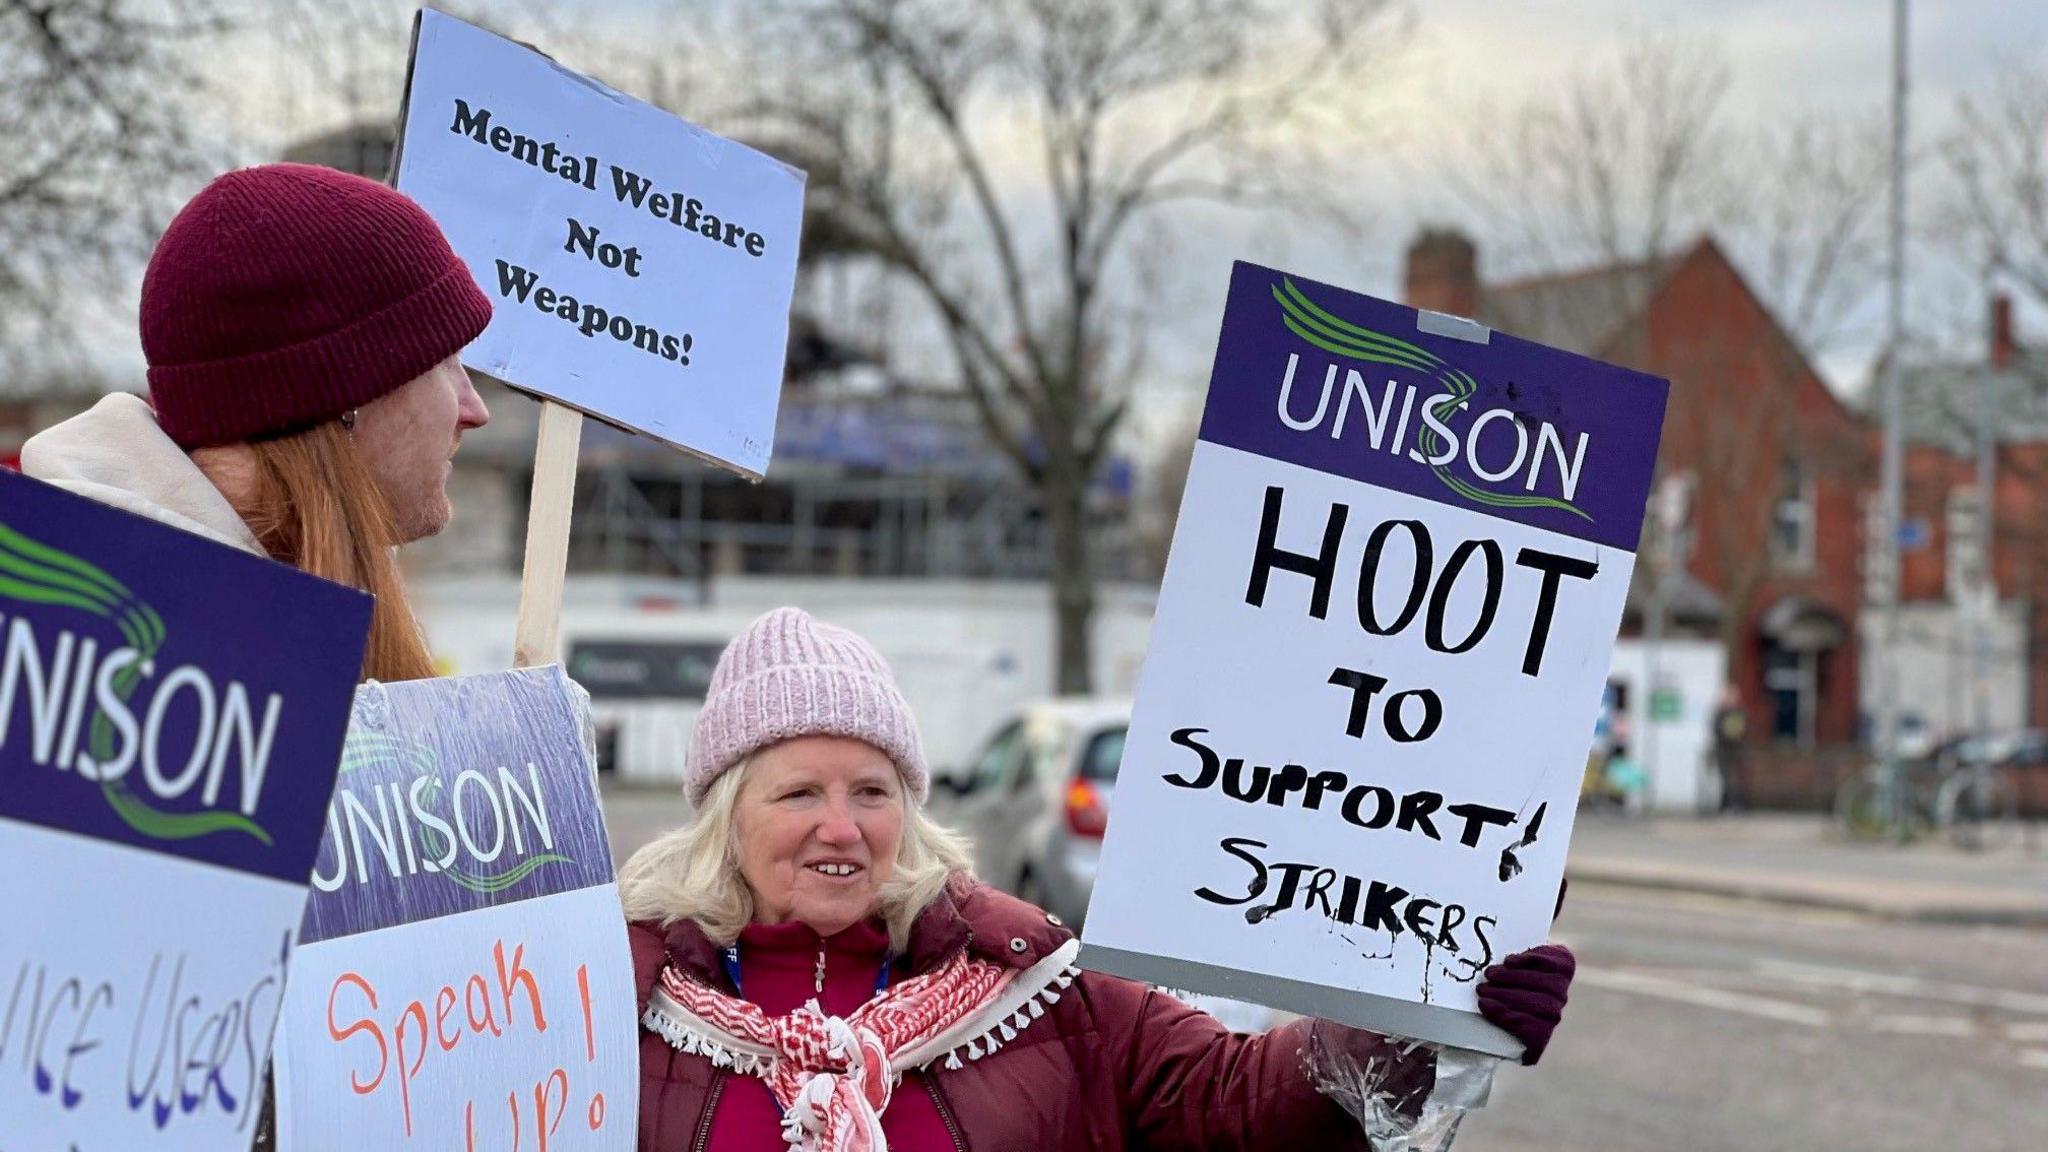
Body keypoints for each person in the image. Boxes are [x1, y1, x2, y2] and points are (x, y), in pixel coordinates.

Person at [622, 607, 1576, 1151]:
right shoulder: (620, 1001)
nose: (842, 826)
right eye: (798, 793)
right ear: (726, 813)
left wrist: (1425, 1004)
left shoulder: (1035, 987)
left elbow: (1237, 1096)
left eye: (873, 790)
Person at [19, 160, 495, 1147]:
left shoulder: (275, 652)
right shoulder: (78, 678)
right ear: (347, 397)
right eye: (446, 362)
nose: (473, 406)